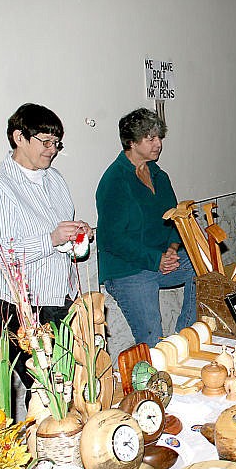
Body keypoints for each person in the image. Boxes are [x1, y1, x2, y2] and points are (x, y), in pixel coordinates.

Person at [0, 103, 93, 404]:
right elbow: (2, 252)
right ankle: (44, 450)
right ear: (19, 137)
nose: (52, 150)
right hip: (18, 304)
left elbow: (61, 241)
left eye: (56, 143)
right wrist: (52, 238)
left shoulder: (55, 179)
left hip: (58, 296)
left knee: (72, 381)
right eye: (45, 141)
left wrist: (77, 236)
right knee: (44, 388)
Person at [96, 108, 196, 347]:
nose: (158, 144)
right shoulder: (114, 180)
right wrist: (155, 259)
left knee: (203, 267)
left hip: (159, 259)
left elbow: (175, 219)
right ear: (131, 141)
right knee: (152, 340)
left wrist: (172, 248)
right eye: (150, 138)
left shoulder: (159, 175)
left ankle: (184, 337)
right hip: (127, 270)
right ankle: (159, 363)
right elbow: (111, 239)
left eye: (159, 137)